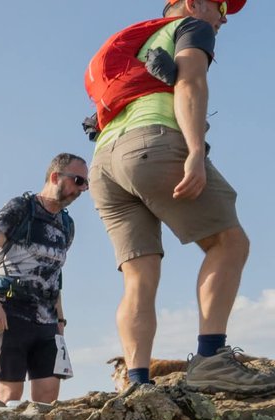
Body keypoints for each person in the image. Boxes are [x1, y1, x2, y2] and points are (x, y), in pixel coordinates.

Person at [88, 0, 273, 394]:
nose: (224, 18)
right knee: (228, 242)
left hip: (104, 162)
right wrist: (194, 152)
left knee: (139, 275)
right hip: (152, 144)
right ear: (193, 3)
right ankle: (211, 359)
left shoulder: (139, 40)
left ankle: (136, 383)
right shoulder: (193, 28)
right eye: (221, 6)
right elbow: (191, 83)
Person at [0, 153, 89, 404]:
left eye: (86, 183)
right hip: (10, 312)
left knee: (48, 398)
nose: (83, 189)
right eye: (78, 181)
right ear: (56, 176)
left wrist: (61, 321)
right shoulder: (19, 209)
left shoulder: (67, 225)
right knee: (10, 396)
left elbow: (54, 275)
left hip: (47, 320)